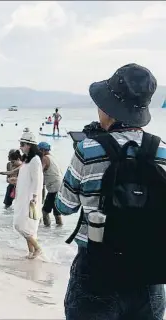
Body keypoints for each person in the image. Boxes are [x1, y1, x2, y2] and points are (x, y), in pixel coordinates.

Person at [55, 64, 166, 320]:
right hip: (149, 276)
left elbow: (64, 205)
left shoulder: (88, 148)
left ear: (108, 110)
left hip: (96, 275)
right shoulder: (162, 150)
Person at [13, 131, 43, 259]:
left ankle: (38, 248)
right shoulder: (26, 160)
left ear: (29, 145)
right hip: (23, 196)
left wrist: (35, 197)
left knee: (20, 224)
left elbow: (37, 180)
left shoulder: (35, 160)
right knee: (27, 225)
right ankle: (31, 252)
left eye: (22, 144)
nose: (20, 146)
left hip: (30, 197)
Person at [38, 142, 63, 227]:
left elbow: (39, 171)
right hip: (60, 187)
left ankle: (46, 230)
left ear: (43, 150)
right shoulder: (52, 157)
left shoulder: (44, 158)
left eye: (39, 151)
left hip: (54, 188)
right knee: (57, 212)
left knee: (45, 211)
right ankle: (59, 232)